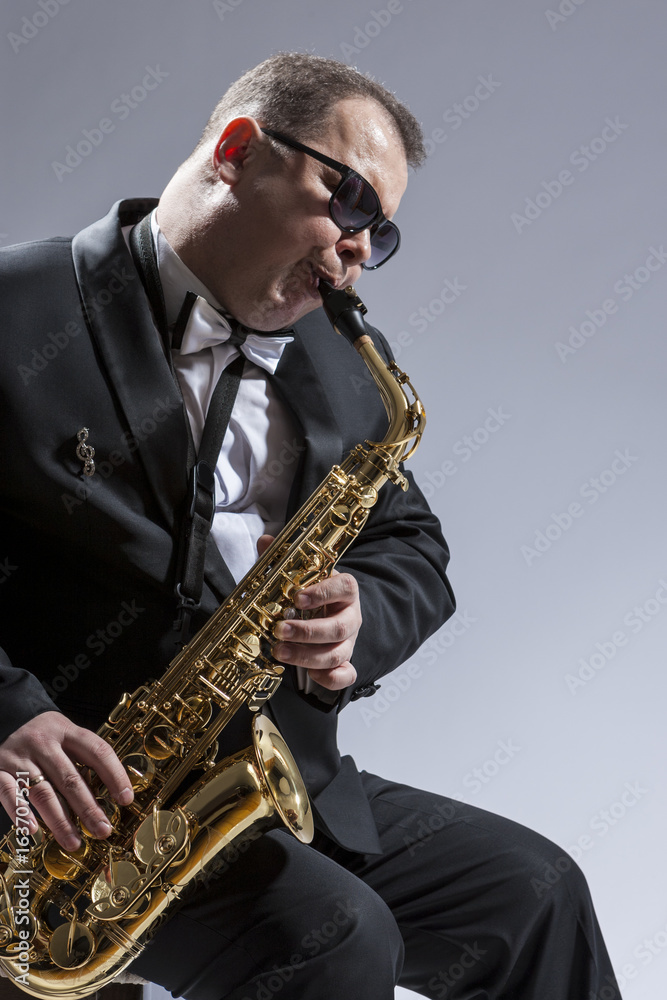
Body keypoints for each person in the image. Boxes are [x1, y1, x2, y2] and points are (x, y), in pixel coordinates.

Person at [0, 53, 621, 1000]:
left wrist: (358, 613)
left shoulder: (339, 360)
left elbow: (412, 546)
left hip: (266, 778)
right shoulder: (16, 311)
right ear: (239, 151)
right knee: (333, 935)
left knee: (535, 892)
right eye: (352, 202)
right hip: (63, 818)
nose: (360, 250)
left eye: (384, 231)